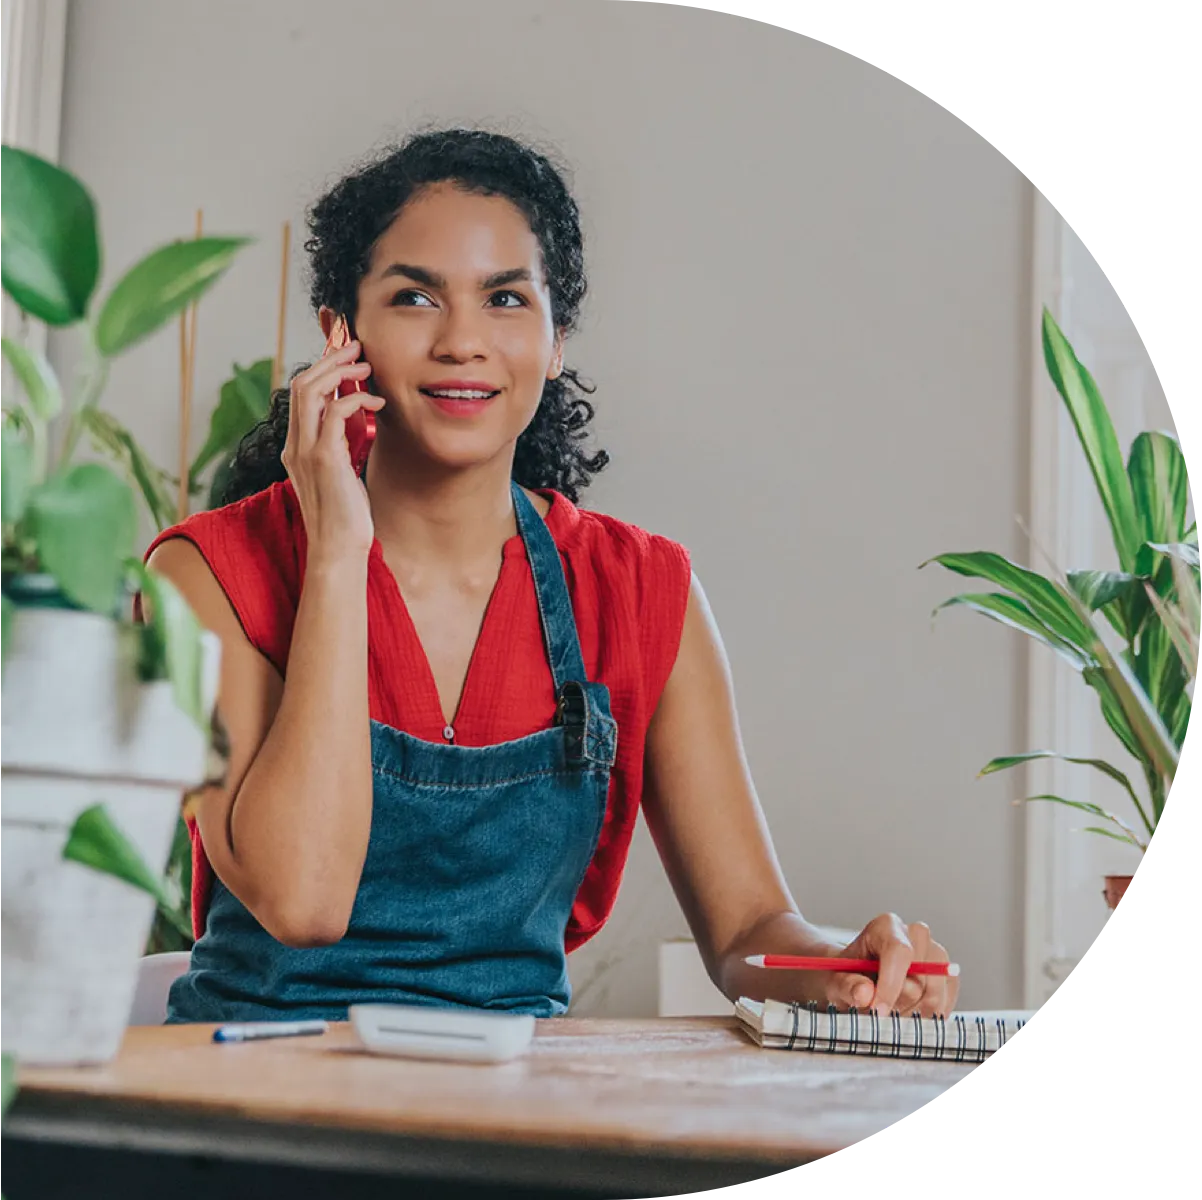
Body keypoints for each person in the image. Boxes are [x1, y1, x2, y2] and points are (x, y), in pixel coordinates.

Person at [144, 128, 959, 1025]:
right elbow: (303, 902)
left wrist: (842, 967)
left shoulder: (642, 592)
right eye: (415, 297)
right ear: (342, 334)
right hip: (252, 1087)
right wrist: (338, 552)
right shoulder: (207, 576)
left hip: (513, 1095)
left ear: (556, 337)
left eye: (505, 298)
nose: (463, 341)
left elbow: (747, 930)